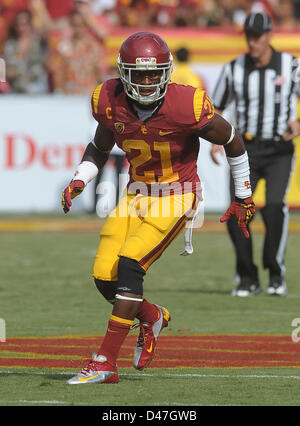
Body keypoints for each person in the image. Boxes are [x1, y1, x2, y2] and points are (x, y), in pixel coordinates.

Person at [61, 31, 255, 384]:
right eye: (140, 73)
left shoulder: (187, 104)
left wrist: (243, 194)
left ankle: (105, 361)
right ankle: (152, 316)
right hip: (135, 194)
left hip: (178, 194)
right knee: (105, 278)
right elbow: (100, 146)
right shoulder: (108, 99)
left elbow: (232, 140)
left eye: (155, 73)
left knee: (130, 265)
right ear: (124, 73)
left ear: (166, 71)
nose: (148, 81)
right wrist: (80, 178)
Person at [211, 12, 300, 297]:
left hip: (278, 149)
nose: (252, 42)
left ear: (269, 35)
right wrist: (214, 139)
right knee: (239, 210)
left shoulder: (291, 65)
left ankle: (275, 274)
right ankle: (247, 278)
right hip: (244, 150)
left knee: (274, 205)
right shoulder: (234, 68)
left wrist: (299, 124)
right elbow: (217, 109)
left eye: (257, 36)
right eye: (249, 36)